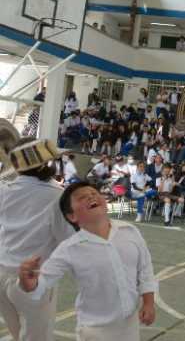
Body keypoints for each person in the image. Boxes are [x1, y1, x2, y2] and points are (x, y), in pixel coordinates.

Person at [18, 182, 156, 340]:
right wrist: (28, 284)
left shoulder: (130, 231)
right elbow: (41, 282)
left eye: (94, 193)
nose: (91, 196)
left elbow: (145, 269)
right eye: (81, 198)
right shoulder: (69, 248)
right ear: (72, 216)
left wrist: (148, 302)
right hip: (94, 331)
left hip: (131, 326)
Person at [0, 139, 75, 341]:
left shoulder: (4, 190)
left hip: (2, 271)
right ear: (45, 164)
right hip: (34, 278)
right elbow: (67, 238)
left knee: (17, 333)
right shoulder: (57, 196)